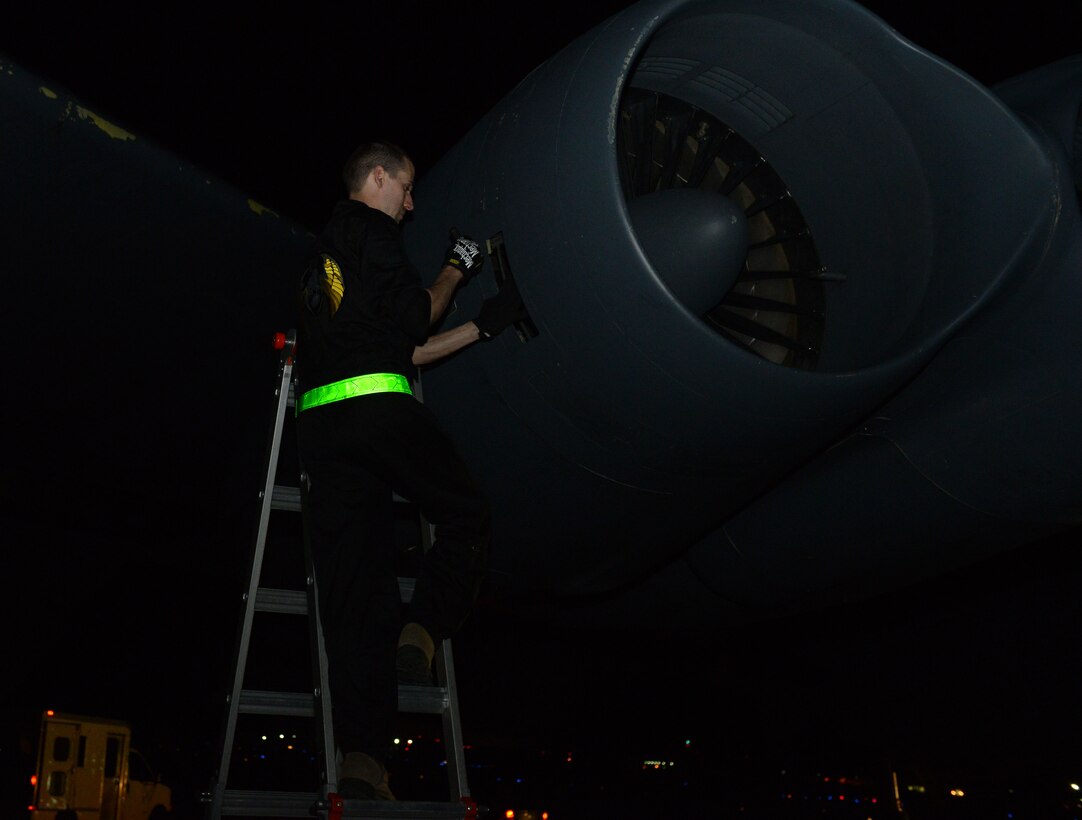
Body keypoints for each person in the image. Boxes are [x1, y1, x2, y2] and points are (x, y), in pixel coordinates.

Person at [295, 140, 525, 800]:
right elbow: (417, 316)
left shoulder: (318, 261)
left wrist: (481, 328)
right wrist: (456, 269)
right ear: (377, 178)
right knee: (466, 513)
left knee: (356, 597)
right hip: (378, 414)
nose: (412, 203)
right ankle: (424, 627)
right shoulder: (372, 229)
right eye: (408, 189)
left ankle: (363, 760)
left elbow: (405, 349)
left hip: (323, 431)